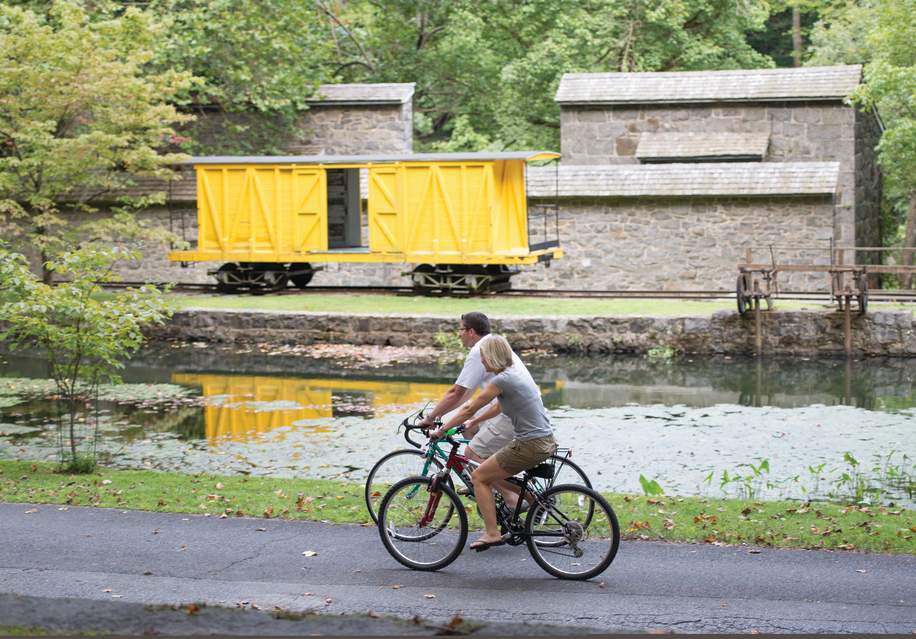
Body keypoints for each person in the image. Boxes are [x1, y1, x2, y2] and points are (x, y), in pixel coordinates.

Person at [433, 334, 557, 551]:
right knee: (487, 467)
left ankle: (492, 533)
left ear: (492, 357)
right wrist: (475, 421)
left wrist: (442, 429)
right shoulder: (513, 376)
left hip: (529, 444)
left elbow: (469, 406)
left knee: (479, 477)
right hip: (542, 439)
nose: (482, 362)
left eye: (483, 357)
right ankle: (518, 502)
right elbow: (498, 407)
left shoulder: (501, 380)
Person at [419, 312, 534, 509]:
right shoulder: (490, 344)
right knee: (468, 429)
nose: (459, 334)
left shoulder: (479, 351)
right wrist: (440, 415)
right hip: (511, 406)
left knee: (471, 456)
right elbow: (465, 395)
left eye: (461, 329)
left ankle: (511, 496)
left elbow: (457, 393)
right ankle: (484, 480)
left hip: (510, 412)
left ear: (471, 332)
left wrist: (431, 418)